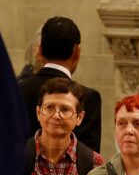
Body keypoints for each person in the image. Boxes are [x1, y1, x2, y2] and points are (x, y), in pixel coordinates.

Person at [24, 77, 105, 175]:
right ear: (38, 113)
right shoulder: (18, 158)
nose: (56, 115)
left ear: (79, 118)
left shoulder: (94, 163)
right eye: (49, 107)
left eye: (65, 109)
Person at [19, 16, 103, 151]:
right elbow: (88, 164)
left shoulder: (16, 92)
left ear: (39, 51)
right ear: (77, 52)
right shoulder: (88, 98)